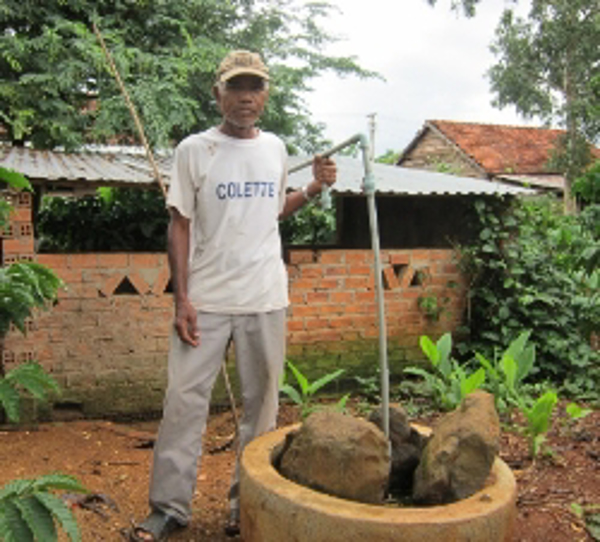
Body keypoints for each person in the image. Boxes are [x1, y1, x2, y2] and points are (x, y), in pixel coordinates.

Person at [130, 49, 337, 541]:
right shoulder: (194, 150)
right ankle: (169, 508)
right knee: (183, 401)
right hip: (206, 299)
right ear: (217, 93)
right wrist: (182, 298)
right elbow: (179, 224)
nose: (246, 97)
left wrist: (310, 189)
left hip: (265, 297)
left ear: (265, 94)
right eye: (237, 87)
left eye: (256, 87)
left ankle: (246, 507)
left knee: (261, 408)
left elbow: (270, 210)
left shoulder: (276, 149)